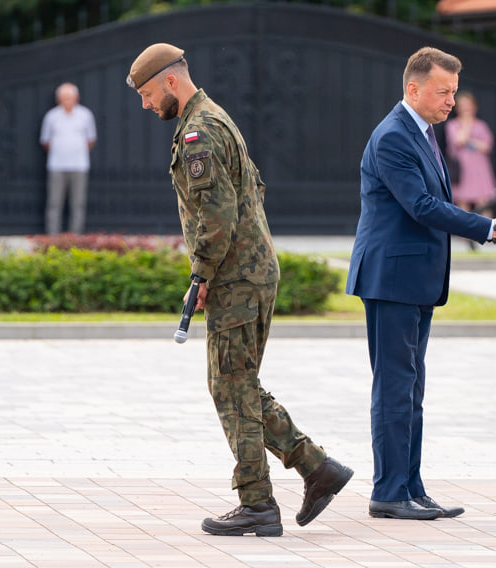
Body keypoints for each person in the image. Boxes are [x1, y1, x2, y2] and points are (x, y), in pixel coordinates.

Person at [126, 43, 353, 536]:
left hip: (237, 276)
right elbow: (253, 189)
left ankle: (258, 504)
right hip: (245, 271)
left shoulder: (198, 131)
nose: (145, 105)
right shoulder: (213, 116)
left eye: (146, 94)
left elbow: (217, 215)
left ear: (170, 82)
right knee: (235, 383)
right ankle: (317, 468)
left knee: (231, 388)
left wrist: (202, 274)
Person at [346, 47, 496, 521]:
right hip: (391, 279)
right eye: (444, 92)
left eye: (454, 92)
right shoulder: (393, 137)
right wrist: (488, 228)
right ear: (414, 88)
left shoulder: (422, 133)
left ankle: (411, 485)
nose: (451, 101)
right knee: (394, 388)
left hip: (414, 280)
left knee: (412, 388)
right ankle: (388, 492)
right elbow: (421, 206)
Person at [39, 82, 97, 235]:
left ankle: (75, 237)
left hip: (79, 165)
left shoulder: (85, 115)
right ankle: (53, 238)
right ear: (59, 99)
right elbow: (45, 141)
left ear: (76, 97)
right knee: (54, 203)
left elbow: (91, 140)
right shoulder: (51, 117)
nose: (67, 100)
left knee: (78, 203)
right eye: (64, 97)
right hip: (56, 165)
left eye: (69, 97)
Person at [444, 91, 496, 214]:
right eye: (462, 105)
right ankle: (465, 234)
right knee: (463, 204)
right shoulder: (452, 125)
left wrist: (469, 141)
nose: (466, 108)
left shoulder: (481, 125)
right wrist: (467, 124)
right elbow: (459, 140)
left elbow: (487, 146)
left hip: (480, 169)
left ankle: (489, 232)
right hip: (462, 169)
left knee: (485, 203)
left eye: (468, 105)